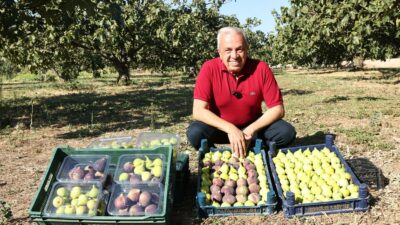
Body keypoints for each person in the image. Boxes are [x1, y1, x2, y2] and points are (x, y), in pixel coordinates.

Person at [186, 27, 296, 158]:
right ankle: (216, 156)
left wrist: (251, 129)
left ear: (246, 49)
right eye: (228, 50)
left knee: (285, 132)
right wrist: (230, 129)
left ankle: (257, 150)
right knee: (195, 133)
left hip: (252, 127)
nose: (234, 56)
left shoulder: (261, 68)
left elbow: (277, 109)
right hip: (221, 128)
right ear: (219, 52)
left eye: (239, 49)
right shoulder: (209, 69)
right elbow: (198, 111)